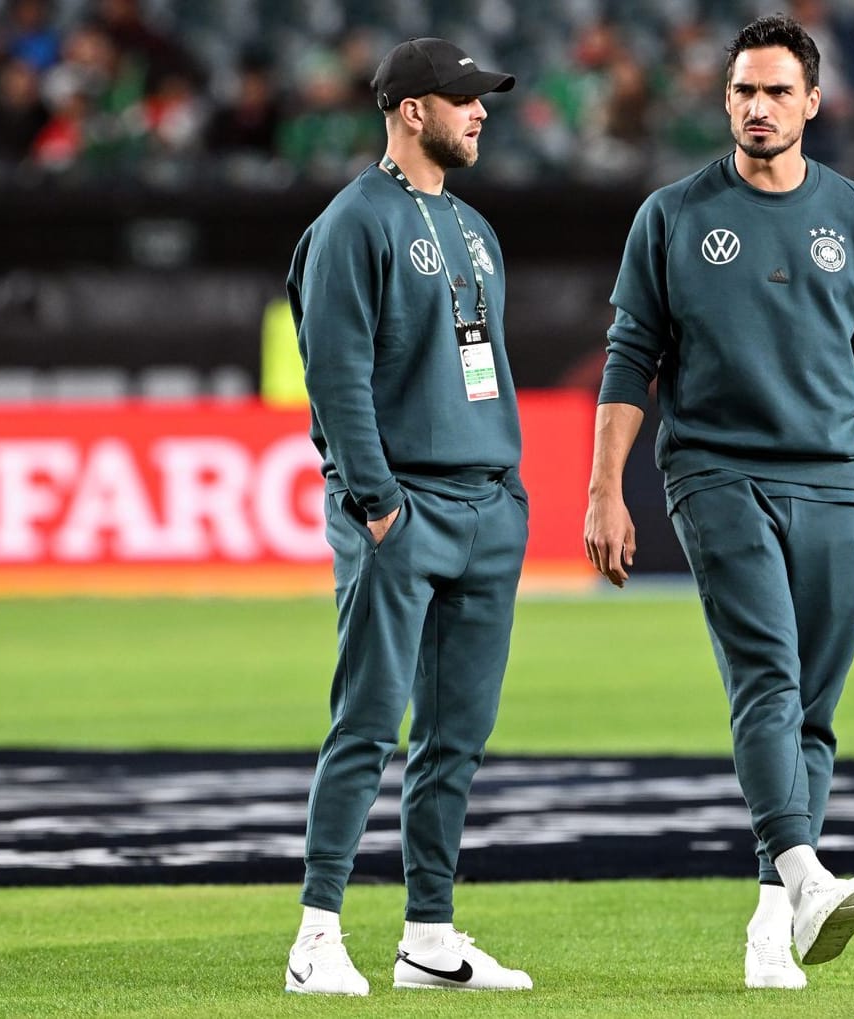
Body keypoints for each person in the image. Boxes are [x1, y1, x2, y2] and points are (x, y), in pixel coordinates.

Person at [583, 13, 854, 992]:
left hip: (827, 477)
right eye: (742, 92)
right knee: (767, 673)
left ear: (814, 101)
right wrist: (605, 487)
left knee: (814, 706)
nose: (758, 107)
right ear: (723, 101)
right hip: (714, 471)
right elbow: (628, 357)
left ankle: (773, 919)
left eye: (777, 91)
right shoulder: (673, 215)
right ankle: (808, 870)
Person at [284, 36, 532, 996]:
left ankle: (429, 933)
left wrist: (508, 493)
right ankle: (316, 935)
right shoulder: (354, 223)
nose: (479, 112)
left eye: (482, 99)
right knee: (367, 725)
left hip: (486, 506)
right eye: (461, 98)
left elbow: (483, 366)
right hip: (403, 510)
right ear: (408, 109)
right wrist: (377, 504)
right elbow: (335, 376)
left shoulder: (474, 229)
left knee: (456, 737)